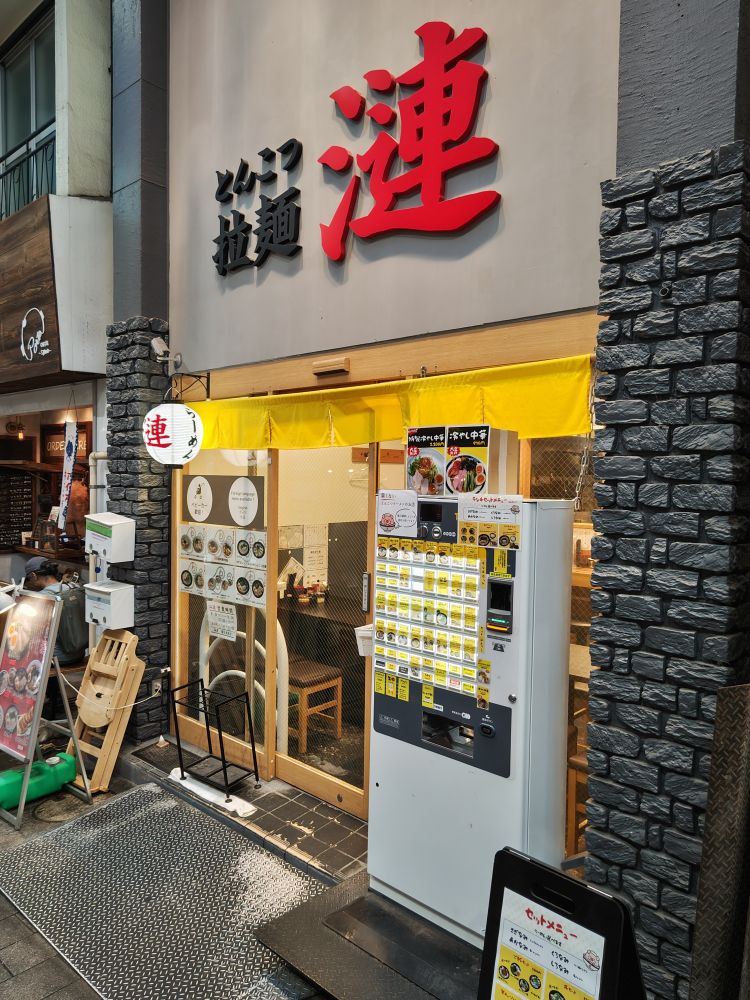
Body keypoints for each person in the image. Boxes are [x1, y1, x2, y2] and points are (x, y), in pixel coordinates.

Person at [24, 557, 88, 666]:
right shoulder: (72, 588)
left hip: (57, 658)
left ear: (34, 576)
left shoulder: (43, 598)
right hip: (79, 654)